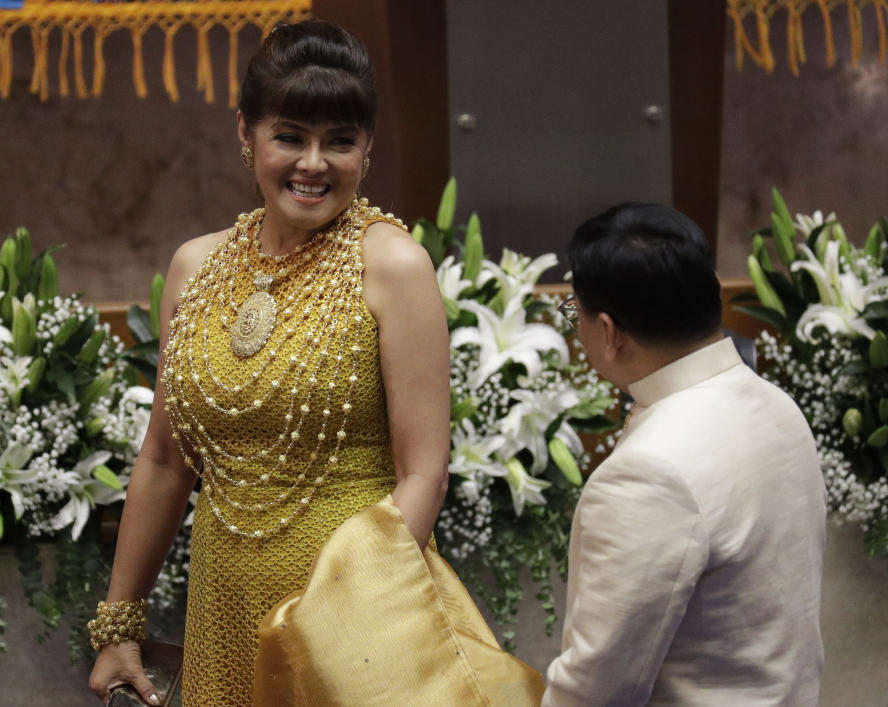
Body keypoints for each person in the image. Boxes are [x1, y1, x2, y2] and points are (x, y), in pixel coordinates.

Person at [89, 21, 542, 707]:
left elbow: (424, 471)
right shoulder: (196, 266)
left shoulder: (392, 264)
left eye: (340, 141)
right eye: (290, 136)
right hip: (222, 604)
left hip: (352, 621)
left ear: (367, 147)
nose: (313, 163)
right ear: (246, 133)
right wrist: (120, 622)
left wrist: (349, 611)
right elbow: (163, 458)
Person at [542, 203, 826, 706]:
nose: (577, 329)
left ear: (608, 333)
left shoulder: (648, 473)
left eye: (575, 315)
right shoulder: (776, 403)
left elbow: (597, 688)